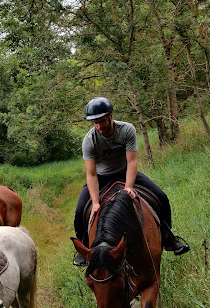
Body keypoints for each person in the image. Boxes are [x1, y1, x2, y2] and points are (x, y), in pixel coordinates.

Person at [73, 97, 190, 266]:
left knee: (161, 196)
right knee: (79, 212)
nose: (98, 127)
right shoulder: (89, 140)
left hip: (124, 172)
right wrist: (96, 202)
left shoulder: (127, 130)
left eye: (101, 121)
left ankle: (168, 237)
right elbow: (90, 174)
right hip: (101, 178)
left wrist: (128, 186)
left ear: (110, 116)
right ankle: (84, 249)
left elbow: (132, 162)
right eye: (94, 123)